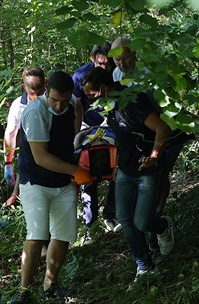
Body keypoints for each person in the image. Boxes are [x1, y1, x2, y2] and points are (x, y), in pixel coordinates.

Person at [82, 67, 175, 284]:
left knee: (142, 222)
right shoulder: (111, 106)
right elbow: (123, 139)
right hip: (124, 171)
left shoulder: (133, 102)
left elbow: (162, 129)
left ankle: (162, 227)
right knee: (124, 219)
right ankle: (144, 266)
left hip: (146, 172)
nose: (89, 99)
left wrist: (153, 156)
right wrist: (116, 168)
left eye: (91, 94)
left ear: (104, 89)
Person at [10, 71, 92, 304]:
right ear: (47, 91)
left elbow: (76, 117)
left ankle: (50, 284)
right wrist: (76, 171)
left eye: (63, 100)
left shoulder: (73, 103)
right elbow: (41, 157)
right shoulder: (35, 113)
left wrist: (75, 148)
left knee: (63, 234)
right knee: (36, 235)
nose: (58, 105)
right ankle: (24, 291)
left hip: (62, 181)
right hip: (35, 181)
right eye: (55, 99)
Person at [111, 36, 188, 251]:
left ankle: (158, 218)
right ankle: (150, 223)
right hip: (140, 138)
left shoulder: (151, 75)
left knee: (160, 173)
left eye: (125, 58)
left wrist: (158, 146)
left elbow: (165, 111)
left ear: (135, 53)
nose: (122, 64)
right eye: (117, 61)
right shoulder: (116, 75)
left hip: (165, 131)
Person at [4, 67, 83, 206]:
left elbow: (76, 104)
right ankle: (15, 196)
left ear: (46, 86)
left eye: (40, 92)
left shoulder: (60, 99)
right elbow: (10, 134)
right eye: (31, 93)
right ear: (24, 87)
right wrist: (8, 163)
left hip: (59, 163)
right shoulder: (19, 106)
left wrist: (75, 136)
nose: (36, 97)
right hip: (32, 161)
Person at [72, 43, 120, 238]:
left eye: (107, 63)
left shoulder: (116, 72)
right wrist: (77, 135)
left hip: (113, 124)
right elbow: (76, 106)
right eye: (100, 63)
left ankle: (112, 214)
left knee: (116, 165)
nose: (104, 67)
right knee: (87, 170)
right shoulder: (80, 76)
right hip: (88, 126)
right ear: (92, 59)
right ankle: (89, 222)